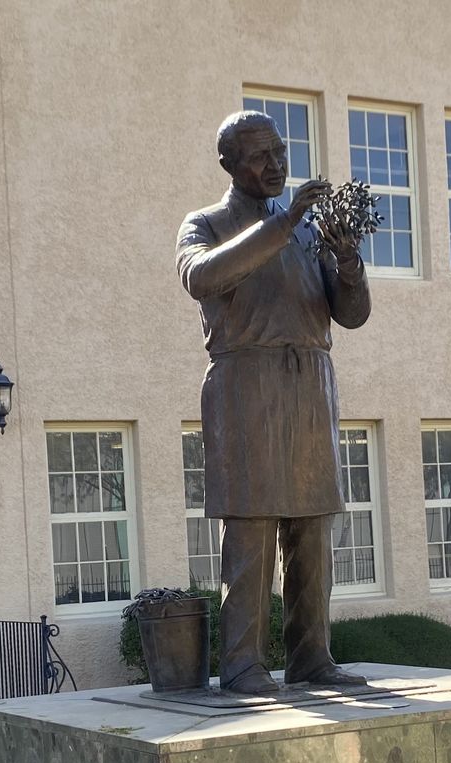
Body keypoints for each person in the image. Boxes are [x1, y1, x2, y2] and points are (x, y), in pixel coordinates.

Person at [175, 110, 372, 695]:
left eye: (280, 151)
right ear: (229, 164)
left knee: (313, 527)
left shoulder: (309, 229)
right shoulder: (205, 223)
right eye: (260, 155)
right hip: (246, 388)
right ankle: (242, 665)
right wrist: (284, 223)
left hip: (310, 383)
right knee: (253, 530)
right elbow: (202, 278)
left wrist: (347, 261)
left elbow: (352, 314)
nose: (276, 163)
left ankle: (312, 658)